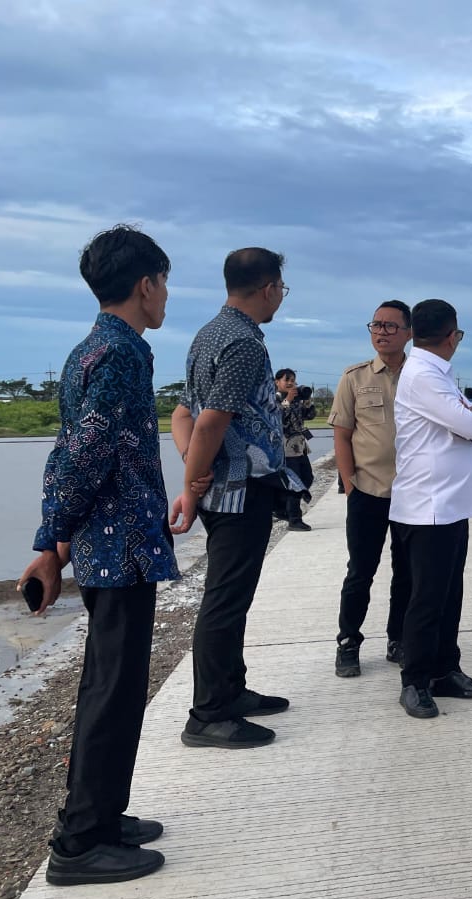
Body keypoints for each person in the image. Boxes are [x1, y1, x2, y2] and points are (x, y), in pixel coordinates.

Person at [18, 225, 176, 884]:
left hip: (107, 545)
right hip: (122, 547)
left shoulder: (90, 349)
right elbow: (86, 453)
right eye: (164, 284)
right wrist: (50, 539)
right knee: (112, 688)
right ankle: (81, 841)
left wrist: (51, 539)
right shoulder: (122, 355)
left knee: (109, 684)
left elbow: (67, 452)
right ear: (145, 285)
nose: (166, 297)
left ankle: (102, 815)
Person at [169, 248, 304, 748]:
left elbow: (184, 414)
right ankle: (208, 714)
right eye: (281, 290)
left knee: (233, 596)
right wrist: (191, 480)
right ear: (268, 287)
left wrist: (193, 470)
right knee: (225, 600)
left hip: (226, 487)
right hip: (238, 490)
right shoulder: (243, 342)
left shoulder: (208, 334)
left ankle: (231, 691)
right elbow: (209, 420)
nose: (280, 300)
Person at [390, 298, 472, 719]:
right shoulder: (422, 375)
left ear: (414, 331)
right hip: (426, 505)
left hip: (449, 503)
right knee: (426, 598)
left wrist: (471, 418)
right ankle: (415, 680)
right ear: (454, 336)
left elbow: (465, 424)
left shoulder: (435, 374)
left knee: (449, 593)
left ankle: (445, 669)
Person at [330, 300, 414, 677]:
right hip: (367, 492)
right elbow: (342, 436)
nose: (381, 332)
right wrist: (350, 486)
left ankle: (399, 638)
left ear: (409, 333)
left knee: (407, 571)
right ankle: (348, 642)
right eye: (376, 325)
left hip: (413, 493)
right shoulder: (355, 377)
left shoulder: (422, 376)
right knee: (360, 571)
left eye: (390, 326)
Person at [274, 367, 316, 531]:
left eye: (293, 380)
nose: (291, 383)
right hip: (284, 447)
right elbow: (277, 419)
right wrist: (288, 400)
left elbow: (309, 416)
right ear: (277, 382)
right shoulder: (274, 399)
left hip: (299, 446)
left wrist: (307, 401)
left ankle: (280, 507)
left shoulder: (296, 399)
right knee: (295, 482)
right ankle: (294, 518)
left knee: (307, 478)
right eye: (287, 380)